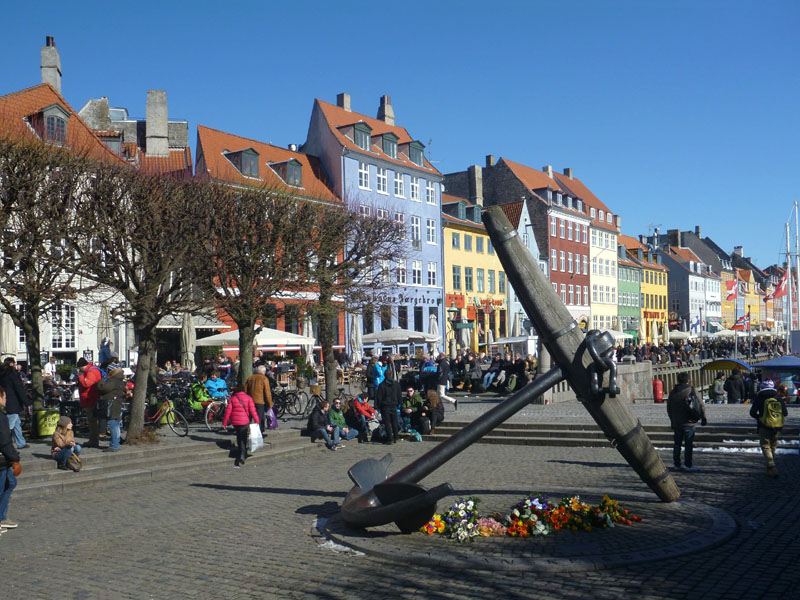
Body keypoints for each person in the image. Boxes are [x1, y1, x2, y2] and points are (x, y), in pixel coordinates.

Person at [667, 372, 707, 472]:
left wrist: (672, 420)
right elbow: (701, 405)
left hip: (677, 423)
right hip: (689, 422)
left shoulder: (673, 392)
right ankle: (688, 465)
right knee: (688, 445)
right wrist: (703, 418)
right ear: (688, 380)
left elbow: (669, 408)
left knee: (677, 444)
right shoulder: (691, 390)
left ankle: (677, 464)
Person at [749, 379, 788, 478]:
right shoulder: (777, 397)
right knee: (773, 447)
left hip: (764, 426)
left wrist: (760, 418)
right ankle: (770, 468)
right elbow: (785, 413)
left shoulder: (760, 397)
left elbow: (752, 412)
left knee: (766, 446)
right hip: (777, 426)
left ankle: (771, 465)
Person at [221, 385, 259, 467]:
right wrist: (257, 420)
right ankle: (242, 454)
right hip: (245, 421)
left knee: (239, 437)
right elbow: (253, 410)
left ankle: (241, 452)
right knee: (244, 437)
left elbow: (228, 412)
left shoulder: (233, 399)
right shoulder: (248, 398)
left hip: (235, 422)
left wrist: (224, 423)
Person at [0, 386, 21, 535]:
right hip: (3, 458)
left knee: (11, 483)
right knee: (4, 486)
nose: (6, 399)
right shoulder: (1, 417)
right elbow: (4, 440)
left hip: (4, 457)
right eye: (4, 396)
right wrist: (14, 459)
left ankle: (2, 516)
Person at [0, 358, 30, 449]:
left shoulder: (2, 374)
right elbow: (19, 389)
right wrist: (26, 402)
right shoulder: (13, 374)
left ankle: (21, 442)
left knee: (17, 423)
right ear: (12, 364)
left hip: (5, 399)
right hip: (13, 401)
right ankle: (4, 444)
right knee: (9, 425)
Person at [97, 367, 126, 452]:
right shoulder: (120, 379)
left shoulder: (113, 380)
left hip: (112, 405)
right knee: (116, 424)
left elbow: (103, 388)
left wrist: (102, 380)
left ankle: (114, 445)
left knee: (112, 423)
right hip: (116, 404)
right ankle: (116, 443)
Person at [77, 357, 104, 448]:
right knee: (93, 421)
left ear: (81, 367)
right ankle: (93, 440)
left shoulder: (91, 372)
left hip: (90, 398)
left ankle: (93, 441)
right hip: (92, 398)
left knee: (92, 421)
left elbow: (87, 384)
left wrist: (80, 376)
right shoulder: (93, 370)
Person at [245, 365, 273, 434]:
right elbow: (267, 393)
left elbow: (245, 390)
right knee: (259, 418)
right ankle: (259, 432)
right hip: (260, 401)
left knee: (249, 417)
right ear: (263, 372)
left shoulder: (250, 378)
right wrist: (270, 404)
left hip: (250, 401)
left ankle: (247, 430)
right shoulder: (264, 378)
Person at [375, 376, 401, 444]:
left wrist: (379, 406)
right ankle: (396, 437)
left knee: (387, 423)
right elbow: (399, 395)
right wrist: (398, 403)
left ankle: (390, 438)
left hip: (385, 406)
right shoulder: (396, 384)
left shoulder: (382, 385)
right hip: (394, 405)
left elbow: (379, 397)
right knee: (394, 422)